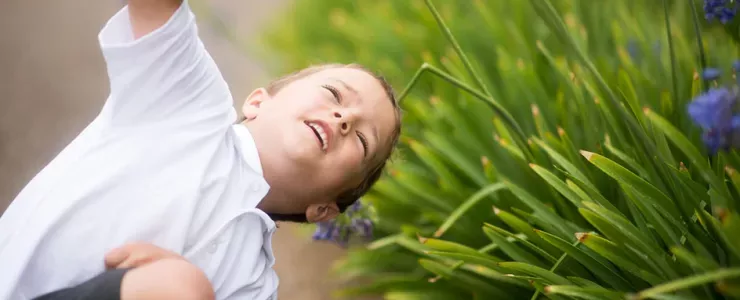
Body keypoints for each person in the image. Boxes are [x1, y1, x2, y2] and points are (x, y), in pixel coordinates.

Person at [0, 0, 402, 299]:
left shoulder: (253, 285)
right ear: (258, 102)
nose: (343, 119)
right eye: (333, 94)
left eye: (363, 140)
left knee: (181, 285)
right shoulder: (190, 104)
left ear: (325, 210)